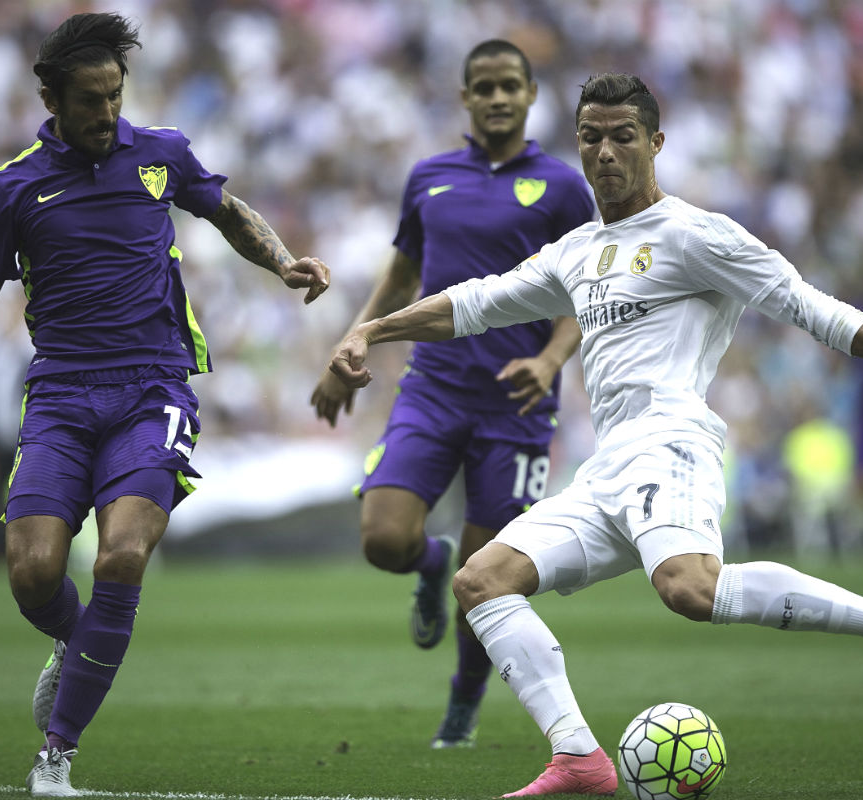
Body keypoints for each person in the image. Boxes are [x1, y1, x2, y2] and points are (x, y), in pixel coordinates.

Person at [328, 73, 863, 797]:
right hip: (607, 467)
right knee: (482, 581)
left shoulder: (696, 234)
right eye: (591, 137)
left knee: (689, 589)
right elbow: (473, 304)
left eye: (623, 136)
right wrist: (371, 331)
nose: (605, 152)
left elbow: (804, 303)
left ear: (655, 143)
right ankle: (578, 759)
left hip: (673, 440)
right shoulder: (577, 251)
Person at [0, 13, 329, 798]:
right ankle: (74, 644)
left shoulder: (162, 154)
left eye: (116, 96)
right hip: (58, 395)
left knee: (121, 556)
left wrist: (284, 263)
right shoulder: (12, 188)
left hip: (154, 388)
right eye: (90, 100)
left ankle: (55, 759)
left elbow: (228, 212)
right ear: (51, 98)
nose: (107, 114)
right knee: (31, 574)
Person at [310, 39, 595, 748]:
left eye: (510, 86)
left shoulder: (562, 188)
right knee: (383, 539)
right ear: (465, 98)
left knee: (489, 575)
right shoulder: (428, 178)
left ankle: (463, 704)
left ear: (531, 95)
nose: (498, 98)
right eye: (484, 87)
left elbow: (582, 296)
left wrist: (551, 360)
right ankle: (426, 563)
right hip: (433, 391)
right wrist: (352, 343)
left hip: (517, 406)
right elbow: (400, 277)